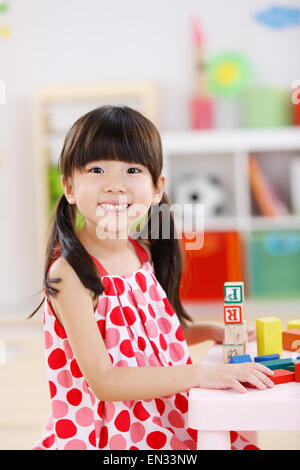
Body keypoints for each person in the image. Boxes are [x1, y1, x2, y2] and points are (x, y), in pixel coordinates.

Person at [31, 106, 274, 450]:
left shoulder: (141, 254)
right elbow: (106, 380)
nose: (115, 185)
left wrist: (208, 332)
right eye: (97, 169)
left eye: (132, 169)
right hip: (112, 436)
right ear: (69, 186)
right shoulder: (70, 275)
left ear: (157, 187)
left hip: (164, 417)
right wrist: (202, 374)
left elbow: (147, 343)